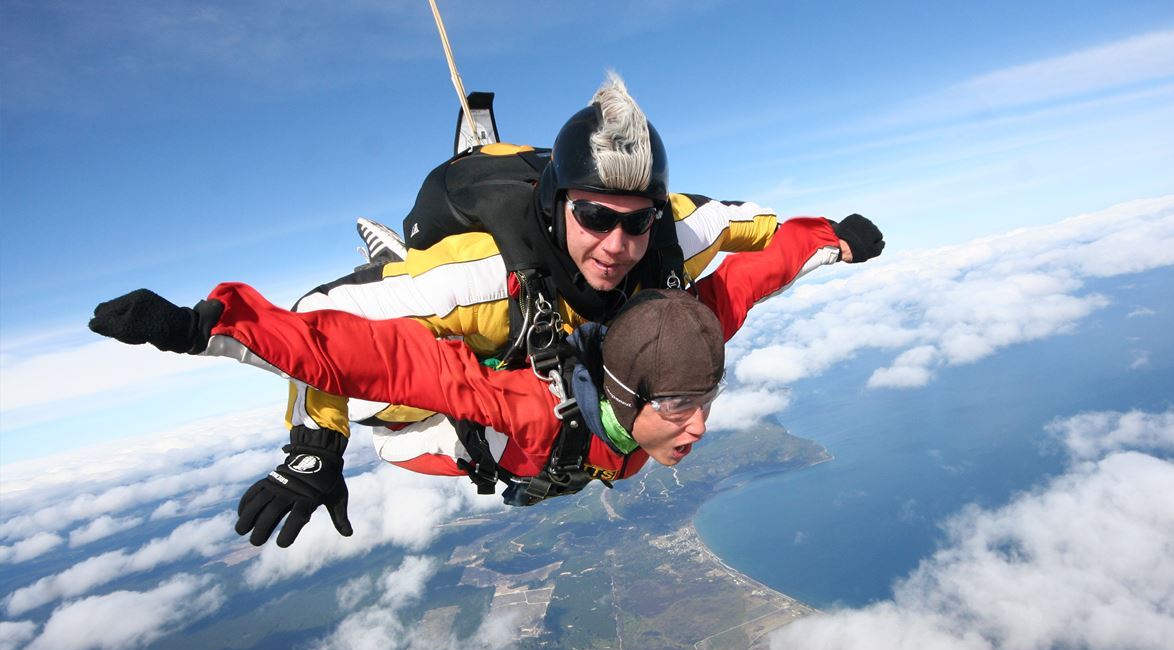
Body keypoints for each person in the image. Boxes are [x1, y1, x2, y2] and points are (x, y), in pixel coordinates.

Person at [240, 74, 885, 544]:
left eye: (637, 222)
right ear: (556, 207)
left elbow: (752, 240)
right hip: (466, 329)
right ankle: (393, 261)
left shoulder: (672, 237)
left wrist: (834, 238)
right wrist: (315, 445)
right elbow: (318, 315)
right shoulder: (482, 277)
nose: (617, 245)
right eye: (595, 216)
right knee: (387, 411)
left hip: (559, 362)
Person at [88, 213, 864, 535]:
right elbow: (369, 357)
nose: (701, 424)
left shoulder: (680, 340)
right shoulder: (528, 412)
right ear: (631, 397)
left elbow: (750, 278)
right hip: (446, 434)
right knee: (393, 410)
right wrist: (206, 331)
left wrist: (833, 238)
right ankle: (398, 275)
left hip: (539, 414)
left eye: (705, 401)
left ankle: (412, 281)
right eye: (683, 407)